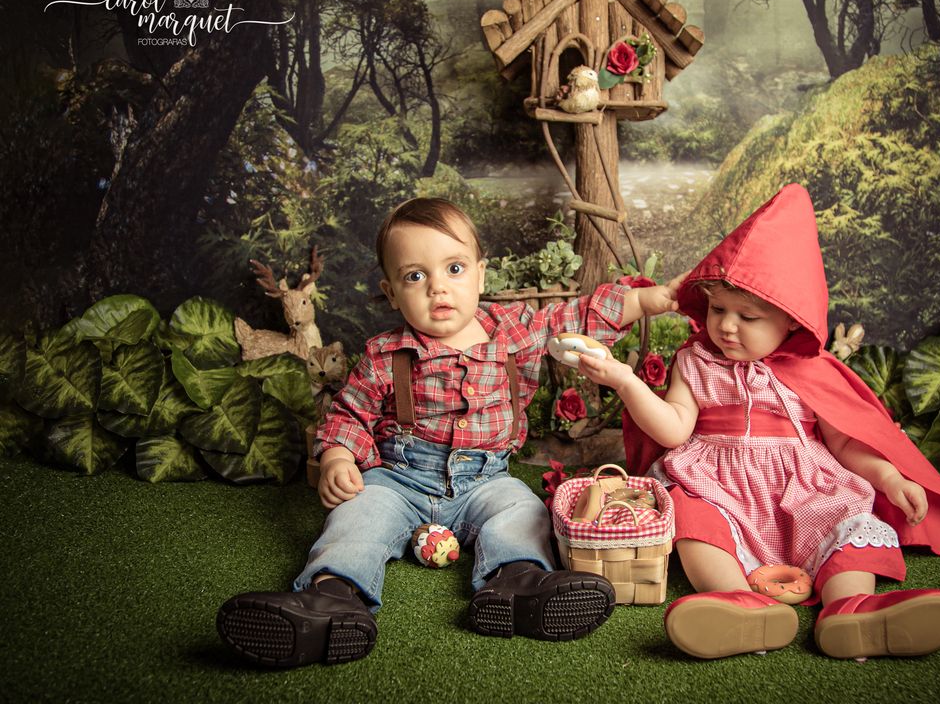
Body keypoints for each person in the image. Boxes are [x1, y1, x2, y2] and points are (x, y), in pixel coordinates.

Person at [216, 197, 682, 668]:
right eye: (415, 276)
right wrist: (338, 457)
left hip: (486, 480)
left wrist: (646, 299)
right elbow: (348, 413)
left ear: (481, 274)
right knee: (357, 519)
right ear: (392, 291)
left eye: (454, 268)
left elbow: (576, 316)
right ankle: (331, 598)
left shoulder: (513, 331)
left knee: (522, 512)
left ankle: (518, 584)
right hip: (398, 479)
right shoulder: (385, 353)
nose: (438, 287)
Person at [577, 184, 940, 660]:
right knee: (691, 518)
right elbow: (673, 430)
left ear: (791, 321)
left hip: (804, 485)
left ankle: (852, 608)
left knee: (850, 518)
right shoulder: (695, 362)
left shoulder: (811, 372)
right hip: (717, 482)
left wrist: (889, 476)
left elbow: (845, 443)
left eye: (748, 316)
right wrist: (627, 381)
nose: (727, 326)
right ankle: (740, 604)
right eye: (717, 310)